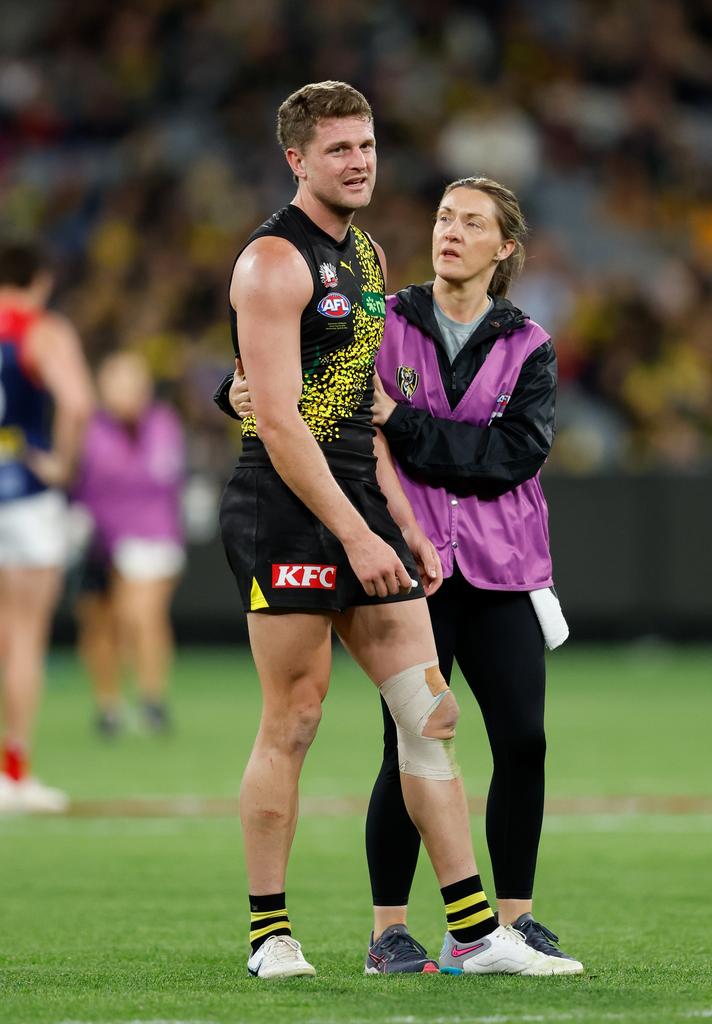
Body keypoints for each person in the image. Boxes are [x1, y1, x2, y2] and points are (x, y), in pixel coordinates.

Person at [217, 81, 566, 981]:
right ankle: (270, 934)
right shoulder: (270, 260)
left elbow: (356, 412)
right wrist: (358, 533)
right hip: (287, 509)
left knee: (429, 714)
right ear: (296, 159)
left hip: (359, 500)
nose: (360, 161)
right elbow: (287, 424)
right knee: (294, 719)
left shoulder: (368, 258)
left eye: (367, 145)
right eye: (339, 149)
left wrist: (401, 524)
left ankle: (476, 933)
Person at [0, 241, 93, 813]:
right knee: (25, 634)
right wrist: (60, 464)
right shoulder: (41, 329)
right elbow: (78, 403)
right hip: (26, 493)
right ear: (42, 279)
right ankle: (15, 774)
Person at [72, 350, 185, 737]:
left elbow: (157, 475)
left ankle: (152, 699)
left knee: (140, 615)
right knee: (99, 622)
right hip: (98, 538)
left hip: (151, 537)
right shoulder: (87, 426)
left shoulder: (161, 424)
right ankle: (109, 706)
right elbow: (76, 476)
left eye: (134, 385)